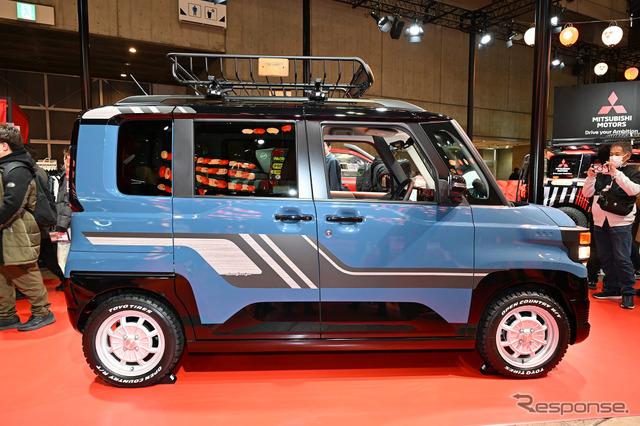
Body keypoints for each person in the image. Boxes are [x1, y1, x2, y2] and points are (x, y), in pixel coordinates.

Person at [0, 124, 55, 331]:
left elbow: (13, 205)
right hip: (7, 230)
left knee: (24, 271)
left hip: (17, 230)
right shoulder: (8, 166)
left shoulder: (17, 169)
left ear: (4, 146)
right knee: (2, 273)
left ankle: (42, 312)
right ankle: (6, 315)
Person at [583, 141, 640, 309]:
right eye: (611, 154)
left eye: (617, 154)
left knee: (622, 258)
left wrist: (616, 174)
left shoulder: (633, 172)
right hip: (600, 221)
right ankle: (613, 288)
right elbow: (587, 193)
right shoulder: (603, 172)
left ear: (627, 156)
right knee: (605, 257)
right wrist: (590, 178)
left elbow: (633, 190)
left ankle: (628, 292)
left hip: (621, 222)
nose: (613, 157)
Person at [24, 145, 65, 291]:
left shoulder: (34, 173)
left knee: (49, 254)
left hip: (43, 221)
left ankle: (65, 279)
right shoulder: (40, 172)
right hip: (47, 220)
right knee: (49, 253)